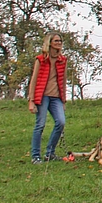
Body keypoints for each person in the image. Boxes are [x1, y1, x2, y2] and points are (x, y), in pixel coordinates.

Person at [27, 32, 67, 163]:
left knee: (60, 122)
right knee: (40, 125)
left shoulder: (63, 60)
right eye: (56, 41)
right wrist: (31, 101)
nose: (59, 43)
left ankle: (50, 153)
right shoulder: (41, 59)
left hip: (56, 97)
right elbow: (34, 80)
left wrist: (64, 100)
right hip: (42, 96)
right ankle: (35, 156)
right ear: (50, 43)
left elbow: (63, 80)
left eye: (60, 41)